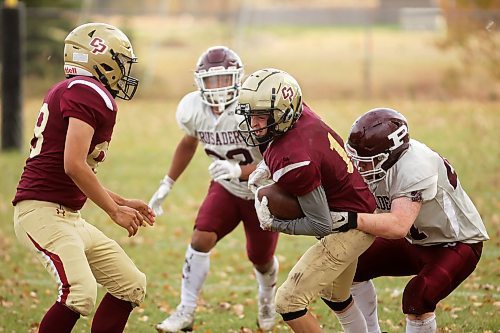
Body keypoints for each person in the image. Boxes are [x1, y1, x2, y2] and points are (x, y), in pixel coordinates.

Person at [12, 23, 155, 333]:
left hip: (69, 217)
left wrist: (122, 200)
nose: (124, 71)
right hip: (42, 213)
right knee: (79, 293)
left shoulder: (78, 89)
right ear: (99, 59)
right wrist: (114, 211)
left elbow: (79, 170)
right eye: (120, 62)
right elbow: (74, 165)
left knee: (130, 284)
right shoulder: (87, 91)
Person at [149, 46, 280, 333]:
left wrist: (240, 170)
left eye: (224, 79)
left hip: (262, 192)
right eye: (212, 80)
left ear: (238, 79)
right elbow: (188, 143)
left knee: (260, 258)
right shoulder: (193, 109)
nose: (218, 87)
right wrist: (166, 183)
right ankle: (186, 311)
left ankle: (267, 298)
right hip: (225, 188)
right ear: (200, 82)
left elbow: (275, 160)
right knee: (200, 239)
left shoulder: (252, 107)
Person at [236, 68, 377, 333]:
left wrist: (275, 223)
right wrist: (267, 165)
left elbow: (322, 225)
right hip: (356, 203)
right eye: (250, 115)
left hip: (349, 225)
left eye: (260, 116)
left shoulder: (294, 158)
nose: (253, 124)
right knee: (336, 296)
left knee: (289, 302)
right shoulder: (298, 116)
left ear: (283, 113)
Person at [337, 107, 489, 333]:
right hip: (415, 240)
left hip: (455, 243)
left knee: (418, 297)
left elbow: (398, 225)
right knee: (349, 268)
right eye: (357, 159)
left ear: (389, 156)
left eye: (367, 161)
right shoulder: (381, 163)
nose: (360, 167)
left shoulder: (416, 167)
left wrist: (347, 219)